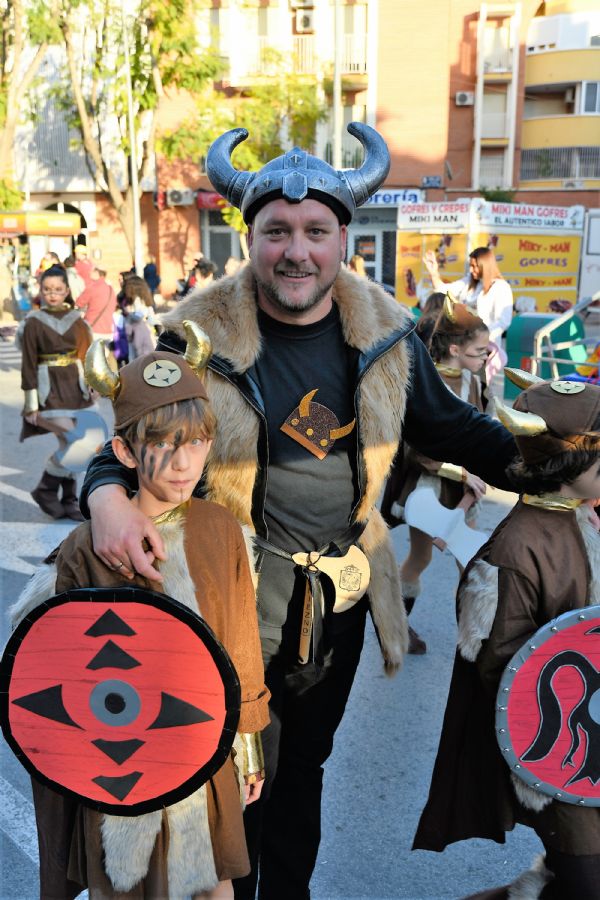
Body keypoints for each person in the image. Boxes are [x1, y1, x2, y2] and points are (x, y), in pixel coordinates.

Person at [80, 123, 517, 900]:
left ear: (343, 237)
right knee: (227, 771)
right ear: (251, 236)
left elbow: (456, 432)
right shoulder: (196, 336)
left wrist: (566, 464)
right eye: (277, 231)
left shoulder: (388, 338)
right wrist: (107, 500)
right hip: (221, 596)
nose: (296, 251)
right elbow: (124, 441)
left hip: (335, 602)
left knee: (302, 770)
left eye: (316, 231)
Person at [10, 328, 270, 900]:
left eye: (198, 442)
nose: (185, 463)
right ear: (124, 451)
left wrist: (247, 740)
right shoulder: (87, 546)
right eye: (164, 444)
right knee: (120, 888)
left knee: (211, 887)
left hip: (202, 754)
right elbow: (62, 670)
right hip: (115, 765)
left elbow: (238, 642)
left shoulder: (220, 529)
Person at [413, 371, 600, 898]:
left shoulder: (580, 517)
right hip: (561, 741)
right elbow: (504, 663)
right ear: (567, 463)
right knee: (587, 882)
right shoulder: (517, 548)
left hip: (594, 730)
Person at [381, 296, 489, 654]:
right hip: (430, 486)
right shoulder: (430, 382)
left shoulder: (472, 380)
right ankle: (394, 625)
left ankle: (474, 638)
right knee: (421, 558)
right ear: (456, 349)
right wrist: (461, 473)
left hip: (464, 489)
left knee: (469, 559)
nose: (486, 358)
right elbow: (418, 450)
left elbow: (475, 432)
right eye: (480, 351)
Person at [18, 265, 94, 521]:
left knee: (71, 445)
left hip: (75, 387)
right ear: (40, 290)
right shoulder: (33, 322)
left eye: (58, 289)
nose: (53, 294)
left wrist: (92, 386)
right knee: (75, 442)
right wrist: (31, 404)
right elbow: (28, 362)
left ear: (67, 290)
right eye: (47, 289)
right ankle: (46, 490)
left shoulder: (77, 320)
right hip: (47, 390)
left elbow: (87, 355)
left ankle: (69, 499)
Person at [423, 245, 514, 345]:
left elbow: (503, 322)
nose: (471, 270)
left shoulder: (501, 287)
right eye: (470, 266)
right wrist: (433, 272)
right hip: (464, 343)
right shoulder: (469, 282)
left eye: (475, 266)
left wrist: (480, 335)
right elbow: (443, 290)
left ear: (485, 266)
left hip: (486, 346)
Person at [75, 267, 117, 342]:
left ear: (97, 273)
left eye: (92, 271)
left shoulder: (93, 287)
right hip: (108, 329)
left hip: (93, 328)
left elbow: (79, 303)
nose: (89, 273)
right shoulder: (111, 289)